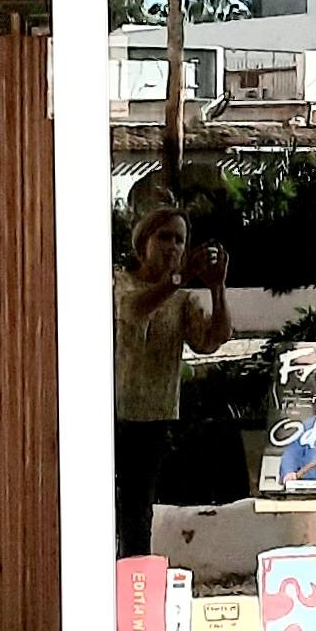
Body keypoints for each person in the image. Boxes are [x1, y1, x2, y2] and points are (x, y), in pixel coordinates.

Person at [114, 206, 232, 554]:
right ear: (143, 241)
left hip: (152, 415)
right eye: (163, 236)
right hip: (112, 413)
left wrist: (217, 287)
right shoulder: (119, 281)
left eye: (179, 240)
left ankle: (133, 581)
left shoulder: (182, 299)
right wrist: (178, 278)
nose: (172, 246)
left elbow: (211, 340)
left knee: (138, 509)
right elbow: (134, 310)